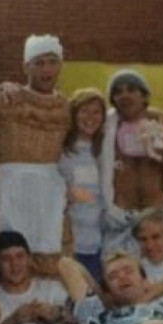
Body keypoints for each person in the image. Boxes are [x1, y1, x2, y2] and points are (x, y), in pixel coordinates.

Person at [0, 34, 72, 282]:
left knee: (51, 266)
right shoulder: (6, 98)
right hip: (8, 190)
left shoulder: (67, 106)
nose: (46, 69)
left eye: (51, 61)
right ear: (26, 67)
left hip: (48, 196)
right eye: (39, 63)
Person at [98, 70, 163, 254]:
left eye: (131, 89)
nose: (124, 95)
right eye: (118, 91)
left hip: (159, 221)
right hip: (119, 221)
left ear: (144, 96)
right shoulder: (104, 130)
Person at [58, 88, 107, 281]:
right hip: (69, 243)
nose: (90, 117)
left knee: (94, 301)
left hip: (98, 245)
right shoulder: (62, 151)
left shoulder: (104, 151)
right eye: (84, 111)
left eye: (96, 112)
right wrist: (64, 193)